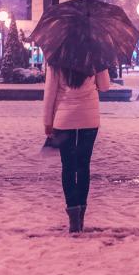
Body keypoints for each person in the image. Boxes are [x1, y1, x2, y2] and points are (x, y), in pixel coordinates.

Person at [43, 65, 110, 233]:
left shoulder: (57, 59)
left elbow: (50, 92)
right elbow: (105, 86)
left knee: (68, 167)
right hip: (89, 119)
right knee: (83, 166)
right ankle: (81, 215)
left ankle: (73, 214)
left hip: (64, 119)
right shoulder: (95, 57)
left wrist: (47, 122)